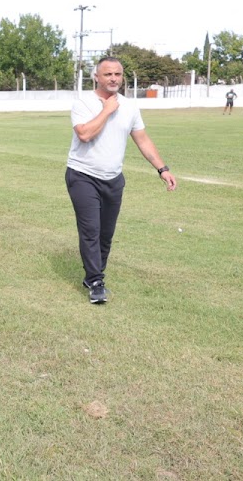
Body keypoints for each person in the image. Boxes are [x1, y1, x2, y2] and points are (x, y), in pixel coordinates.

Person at [66, 57, 177, 304]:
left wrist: (162, 169)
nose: (113, 78)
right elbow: (84, 134)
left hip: (113, 178)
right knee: (91, 230)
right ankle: (96, 281)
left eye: (117, 74)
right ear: (97, 77)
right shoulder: (83, 103)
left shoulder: (130, 107)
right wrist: (106, 110)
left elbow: (142, 139)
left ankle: (94, 273)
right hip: (83, 175)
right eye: (108, 74)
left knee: (106, 233)